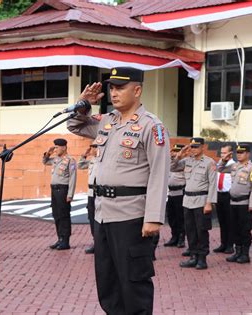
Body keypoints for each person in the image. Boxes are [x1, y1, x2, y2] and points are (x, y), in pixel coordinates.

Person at [67, 67, 170, 314]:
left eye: (120, 87)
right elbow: (75, 126)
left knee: (133, 283)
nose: (114, 93)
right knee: (108, 282)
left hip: (131, 216)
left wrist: (153, 218)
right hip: (103, 213)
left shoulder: (151, 126)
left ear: (137, 90)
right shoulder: (107, 122)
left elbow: (160, 173)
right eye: (111, 87)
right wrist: (83, 104)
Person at [171, 138, 217, 270]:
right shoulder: (187, 161)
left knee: (201, 230)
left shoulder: (209, 162)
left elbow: (213, 184)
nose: (193, 149)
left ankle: (202, 258)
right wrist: (179, 155)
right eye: (191, 146)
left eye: (196, 146)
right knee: (190, 230)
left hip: (202, 200)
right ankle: (193, 256)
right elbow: (171, 167)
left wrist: (209, 203)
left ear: (203, 147)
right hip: (187, 200)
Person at [218, 144, 252, 264]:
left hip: (245, 203)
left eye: (242, 153)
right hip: (233, 202)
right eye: (237, 153)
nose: (239, 155)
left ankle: (245, 254)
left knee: (244, 229)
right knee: (234, 228)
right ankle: (237, 252)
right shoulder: (234, 166)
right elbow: (219, 169)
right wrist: (224, 159)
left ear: (248, 154)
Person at [43, 138, 77, 250]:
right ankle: (60, 239)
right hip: (54, 190)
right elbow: (45, 161)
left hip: (63, 190)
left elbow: (73, 178)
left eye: (57, 147)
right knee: (56, 215)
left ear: (64, 147)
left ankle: (65, 241)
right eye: (55, 147)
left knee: (64, 215)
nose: (56, 149)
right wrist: (48, 153)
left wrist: (70, 194)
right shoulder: (56, 159)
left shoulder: (70, 160)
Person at [214, 144, 235, 254]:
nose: (222, 155)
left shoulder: (234, 165)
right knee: (222, 221)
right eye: (221, 153)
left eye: (225, 153)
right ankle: (223, 243)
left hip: (228, 195)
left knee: (229, 221)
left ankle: (230, 245)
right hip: (219, 194)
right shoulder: (219, 165)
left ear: (231, 153)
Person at [164, 144, 186, 248]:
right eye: (173, 151)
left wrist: (178, 156)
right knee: (171, 216)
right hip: (170, 193)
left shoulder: (184, 162)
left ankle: (181, 238)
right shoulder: (170, 162)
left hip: (180, 193)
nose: (173, 153)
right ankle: (174, 237)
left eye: (176, 151)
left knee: (180, 217)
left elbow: (175, 165)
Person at [77, 144, 98, 254]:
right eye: (92, 147)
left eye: (95, 147)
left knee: (100, 219)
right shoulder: (92, 160)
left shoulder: (103, 159)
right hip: (91, 193)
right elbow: (80, 165)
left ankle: (102, 243)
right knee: (91, 217)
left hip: (100, 193)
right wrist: (84, 156)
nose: (93, 149)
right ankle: (96, 242)